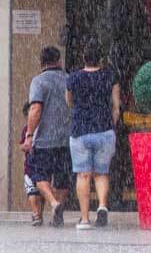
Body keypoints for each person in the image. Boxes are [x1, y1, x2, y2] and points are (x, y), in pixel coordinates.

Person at [65, 39, 121, 230]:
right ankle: (103, 206)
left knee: (83, 175)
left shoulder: (73, 78)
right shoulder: (110, 76)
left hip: (80, 131)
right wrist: (109, 126)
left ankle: (84, 219)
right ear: (101, 58)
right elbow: (116, 107)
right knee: (101, 173)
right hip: (104, 130)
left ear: (84, 57)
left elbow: (70, 103)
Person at [21, 46, 72, 227]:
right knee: (62, 178)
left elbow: (35, 109)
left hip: (44, 140)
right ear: (59, 61)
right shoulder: (68, 79)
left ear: (41, 63)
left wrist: (29, 135)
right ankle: (56, 214)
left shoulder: (38, 81)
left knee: (39, 175)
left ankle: (53, 203)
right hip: (66, 138)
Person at [19, 103, 45, 226]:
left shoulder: (26, 130)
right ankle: (37, 214)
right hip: (36, 166)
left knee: (33, 192)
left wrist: (25, 146)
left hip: (31, 166)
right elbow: (22, 146)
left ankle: (37, 215)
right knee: (36, 193)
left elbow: (22, 146)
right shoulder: (40, 130)